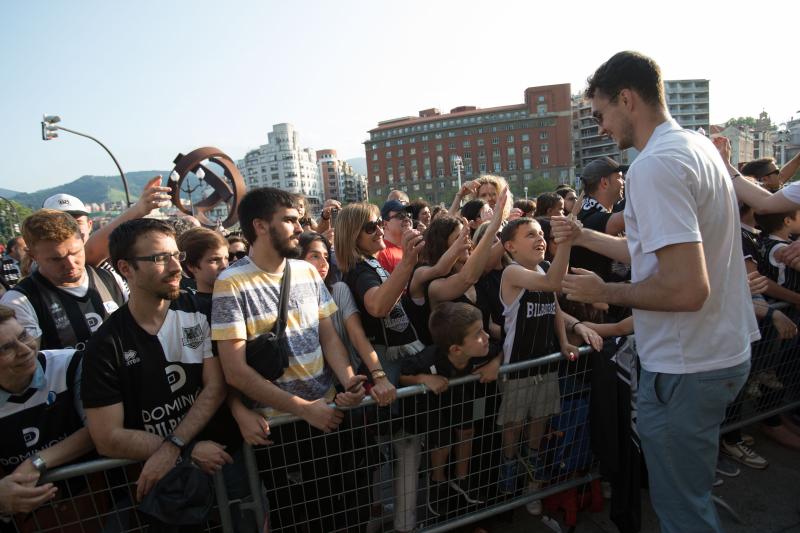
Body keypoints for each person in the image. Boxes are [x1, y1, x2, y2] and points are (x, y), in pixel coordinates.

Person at [552, 51, 758, 532]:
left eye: (601, 114)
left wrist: (608, 291)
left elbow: (687, 288)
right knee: (692, 497)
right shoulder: (697, 147)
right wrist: (583, 236)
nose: (600, 128)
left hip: (687, 365)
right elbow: (650, 251)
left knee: (683, 513)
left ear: (627, 99)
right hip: (719, 351)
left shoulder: (653, 167)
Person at [212, 187, 365, 531]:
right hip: (280, 427)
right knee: (296, 519)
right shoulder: (231, 283)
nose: (299, 227)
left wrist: (349, 378)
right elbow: (234, 370)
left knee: (341, 511)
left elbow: (328, 336)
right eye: (290, 220)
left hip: (329, 414)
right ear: (261, 226)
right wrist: (302, 409)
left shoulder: (307, 272)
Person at [81, 219, 232, 526]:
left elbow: (214, 386)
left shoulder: (200, 311)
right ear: (125, 268)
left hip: (221, 464)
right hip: (155, 489)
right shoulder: (105, 345)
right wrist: (183, 450)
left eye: (177, 255)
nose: (176, 267)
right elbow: (107, 437)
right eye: (160, 258)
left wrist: (175, 448)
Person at [334, 202, 424, 533]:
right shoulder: (357, 271)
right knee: (399, 445)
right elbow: (377, 305)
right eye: (371, 227)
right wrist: (409, 262)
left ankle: (402, 520)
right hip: (385, 366)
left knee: (403, 447)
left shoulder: (371, 263)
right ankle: (401, 523)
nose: (379, 230)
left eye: (378, 224)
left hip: (395, 362)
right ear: (351, 235)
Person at [496, 217, 579, 513]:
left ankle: (531, 484)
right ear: (510, 246)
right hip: (517, 370)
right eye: (530, 234)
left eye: (542, 234)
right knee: (512, 430)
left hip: (545, 367)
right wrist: (567, 242)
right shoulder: (512, 272)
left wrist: (564, 341)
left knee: (536, 429)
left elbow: (555, 305)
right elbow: (553, 283)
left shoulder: (543, 267)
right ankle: (508, 485)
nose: (540, 239)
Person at [0, 305, 94, 531]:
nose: (25, 349)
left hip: (95, 502)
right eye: (6, 348)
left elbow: (99, 430)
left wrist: (37, 462)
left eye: (24, 335)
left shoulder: (70, 364)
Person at [400, 302, 499, 516]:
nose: (487, 336)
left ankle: (462, 479)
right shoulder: (429, 359)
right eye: (478, 334)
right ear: (456, 349)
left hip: (461, 397)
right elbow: (403, 375)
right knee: (442, 443)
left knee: (466, 432)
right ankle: (438, 482)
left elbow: (499, 350)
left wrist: (495, 364)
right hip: (434, 403)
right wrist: (424, 378)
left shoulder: (484, 351)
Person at [0, 210, 128, 350]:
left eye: (76, 252)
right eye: (56, 259)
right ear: (33, 256)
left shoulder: (109, 277)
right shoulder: (18, 301)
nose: (71, 264)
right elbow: (29, 364)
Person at [298, 231, 396, 407]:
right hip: (308, 397)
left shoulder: (338, 291)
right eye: (314, 256)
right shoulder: (289, 300)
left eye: (326, 257)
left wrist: (379, 376)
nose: (323, 263)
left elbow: (357, 336)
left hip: (347, 384)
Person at [569, 157, 627, 284]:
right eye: (619, 177)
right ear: (604, 183)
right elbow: (632, 217)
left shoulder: (604, 209)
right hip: (602, 301)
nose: (624, 182)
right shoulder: (587, 218)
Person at [177, 227, 229, 299]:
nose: (224, 266)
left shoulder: (241, 297)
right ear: (192, 267)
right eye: (215, 260)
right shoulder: (185, 307)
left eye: (226, 258)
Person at [376, 199, 413, 274]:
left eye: (408, 215)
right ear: (385, 224)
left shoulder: (410, 248)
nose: (407, 218)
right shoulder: (382, 254)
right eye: (400, 216)